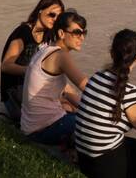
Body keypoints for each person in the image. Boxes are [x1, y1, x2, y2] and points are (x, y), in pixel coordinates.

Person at [75, 29, 136, 178]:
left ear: (112, 53)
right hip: (105, 169)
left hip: (85, 160)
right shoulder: (129, 93)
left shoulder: (95, 78)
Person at [20, 10, 90, 145]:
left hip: (31, 127)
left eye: (83, 33)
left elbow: (68, 92)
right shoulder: (61, 56)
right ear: (62, 33)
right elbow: (88, 87)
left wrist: (85, 109)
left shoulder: (46, 48)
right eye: (77, 33)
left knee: (78, 110)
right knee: (92, 125)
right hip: (43, 130)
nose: (82, 38)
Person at [0, 0, 64, 122]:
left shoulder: (49, 35)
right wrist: (32, 70)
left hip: (33, 91)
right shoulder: (23, 33)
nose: (55, 19)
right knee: (60, 111)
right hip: (15, 94)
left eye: (58, 17)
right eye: (52, 15)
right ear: (40, 10)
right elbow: (6, 65)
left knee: (67, 104)